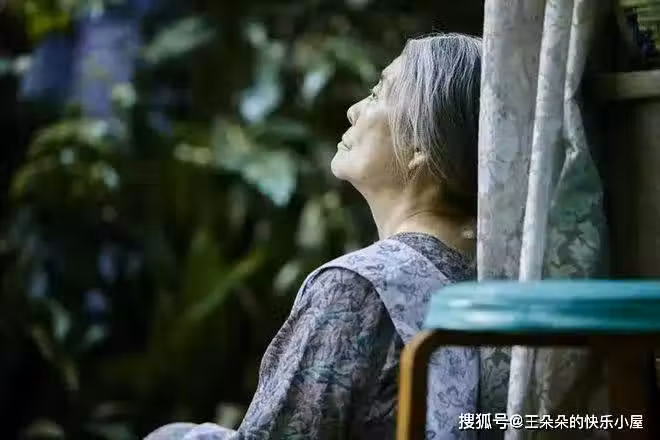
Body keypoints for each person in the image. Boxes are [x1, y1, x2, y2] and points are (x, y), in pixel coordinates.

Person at [147, 32, 482, 440]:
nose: (354, 110)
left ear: (419, 146)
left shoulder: (361, 287)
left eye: (378, 94)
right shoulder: (488, 282)